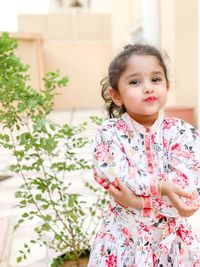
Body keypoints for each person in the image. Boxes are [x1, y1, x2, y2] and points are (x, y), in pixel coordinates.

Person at [87, 44, 200, 267]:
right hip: (123, 244)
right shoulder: (109, 134)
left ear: (167, 86)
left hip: (172, 247)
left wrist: (136, 201)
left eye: (156, 79)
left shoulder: (183, 133)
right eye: (135, 82)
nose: (148, 88)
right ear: (116, 95)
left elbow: (187, 193)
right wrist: (160, 187)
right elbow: (117, 175)